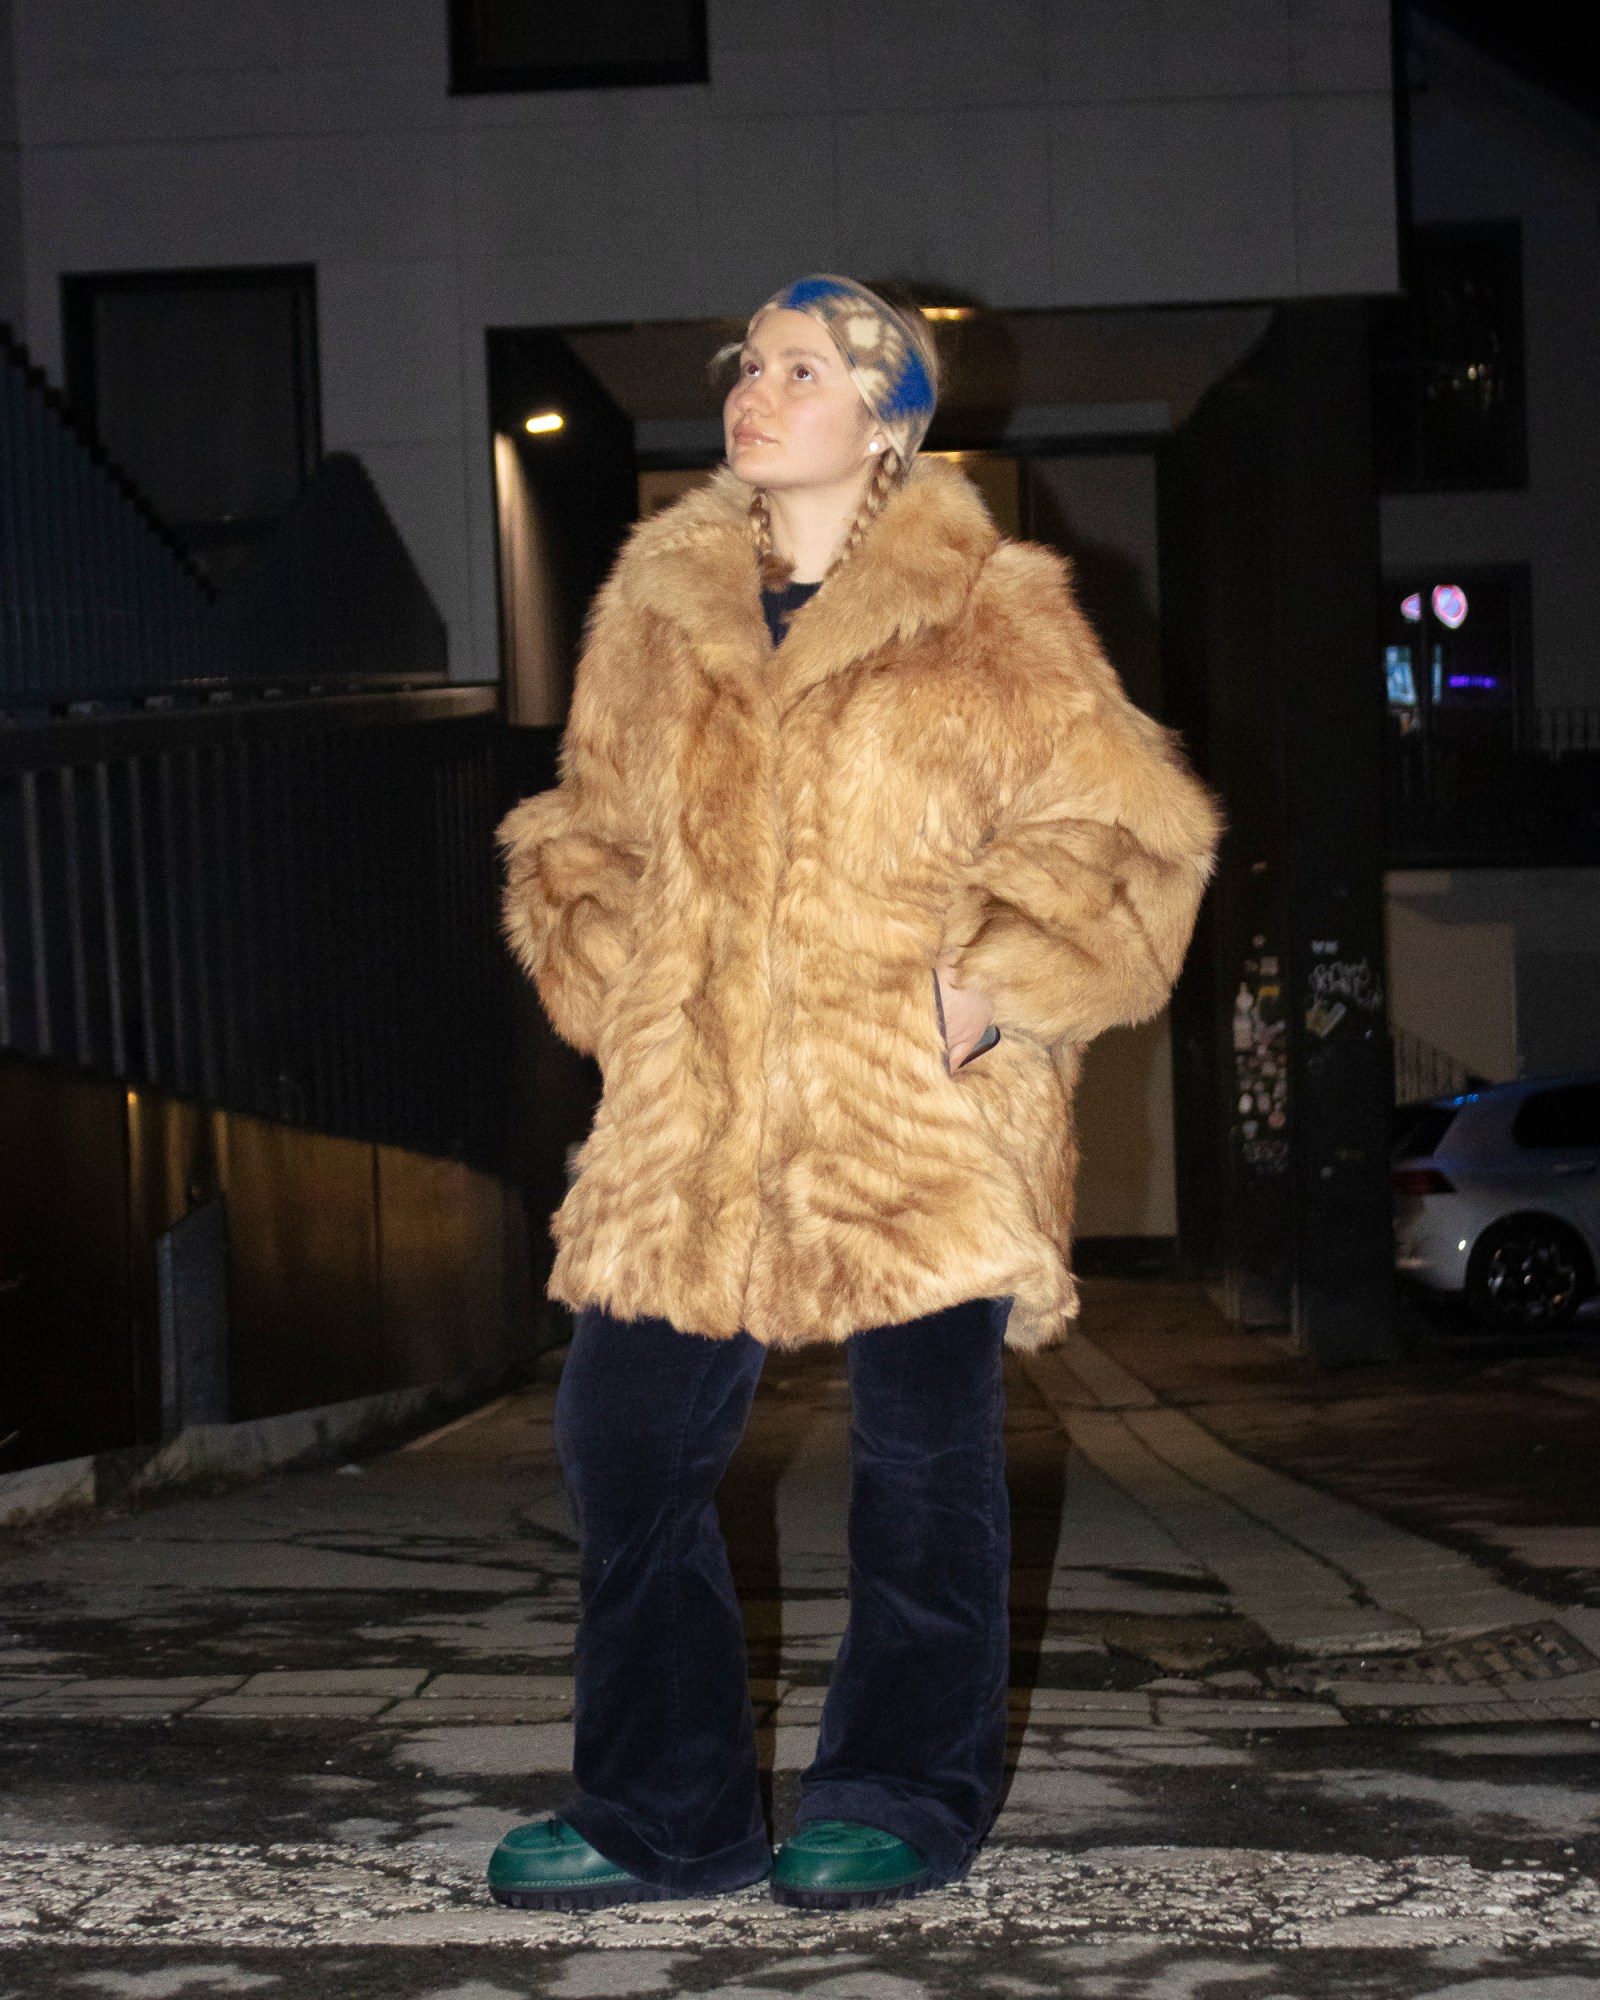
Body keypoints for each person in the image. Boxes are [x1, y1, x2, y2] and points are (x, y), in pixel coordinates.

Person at [488, 274, 1220, 1914]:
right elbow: (588, 833)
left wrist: (996, 977)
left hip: (915, 1107)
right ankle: (665, 1811)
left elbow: (1133, 839)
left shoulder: (995, 613)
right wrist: (621, 990)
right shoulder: (657, 612)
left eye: (803, 368)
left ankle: (898, 1792)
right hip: (696, 1113)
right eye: (747, 362)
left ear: (892, 419)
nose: (755, 389)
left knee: (923, 1457)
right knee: (624, 1437)